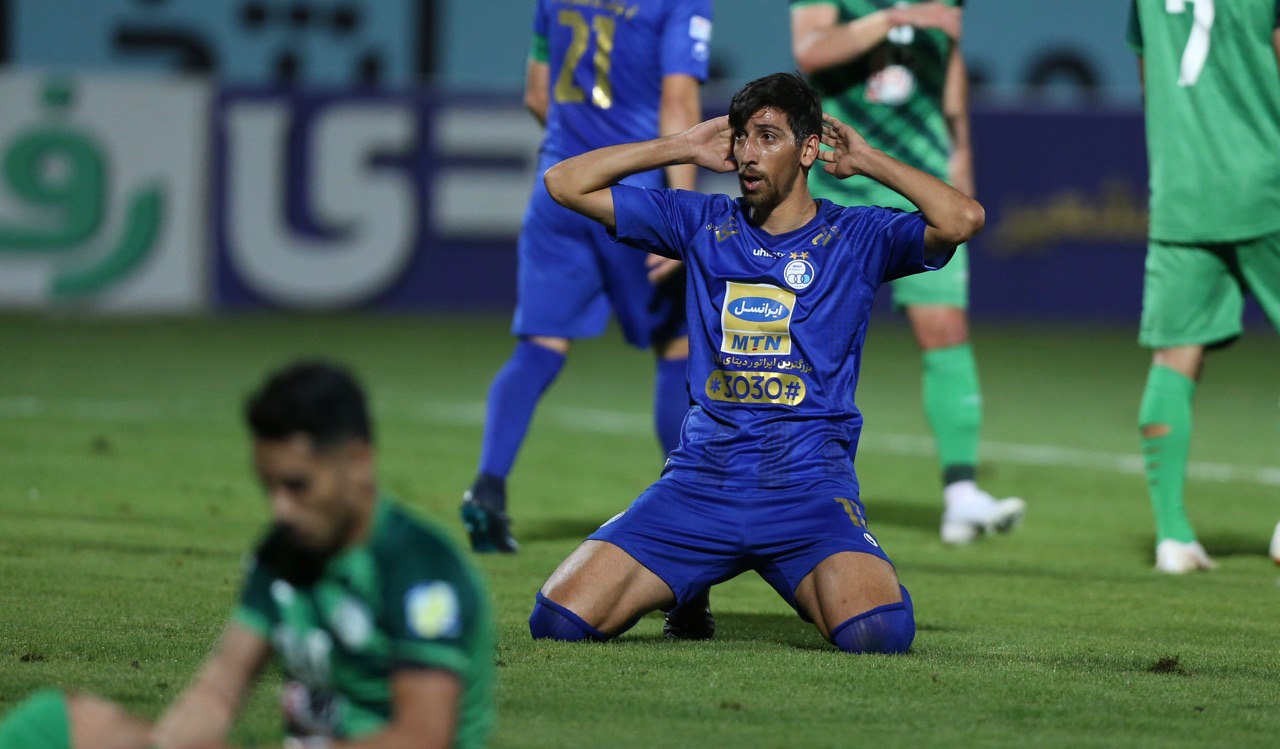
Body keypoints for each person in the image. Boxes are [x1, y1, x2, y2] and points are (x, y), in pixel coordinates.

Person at [526, 72, 984, 652]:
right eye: (742, 136)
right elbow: (564, 182)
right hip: (700, 484)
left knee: (879, 635)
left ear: (809, 149)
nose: (747, 153)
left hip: (808, 490)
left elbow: (962, 219)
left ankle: (801, 575)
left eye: (768, 137)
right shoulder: (700, 222)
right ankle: (688, 586)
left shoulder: (857, 235)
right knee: (557, 623)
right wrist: (680, 146)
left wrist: (868, 160)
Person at [0, 363, 495, 748]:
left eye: (297, 485)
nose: (280, 508)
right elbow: (219, 690)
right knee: (62, 723)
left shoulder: (421, 569)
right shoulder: (284, 552)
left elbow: (421, 738)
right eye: (269, 487)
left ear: (358, 461)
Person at [461, 0, 713, 556]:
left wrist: (576, 163)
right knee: (678, 348)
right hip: (633, 198)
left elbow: (536, 95)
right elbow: (678, 101)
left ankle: (488, 487)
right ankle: (688, 507)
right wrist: (683, 209)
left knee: (539, 347)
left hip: (558, 188)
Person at [789, 0, 1024, 544]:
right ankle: (790, 483)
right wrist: (899, 17)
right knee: (806, 337)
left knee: (945, 329)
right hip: (837, 178)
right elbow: (811, 50)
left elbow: (950, 60)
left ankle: (962, 496)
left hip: (918, 178)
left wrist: (960, 151)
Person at [1126, 0, 1280, 573]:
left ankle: (1173, 538)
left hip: (1183, 191)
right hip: (1268, 182)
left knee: (1174, 358)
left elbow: (1150, 82)